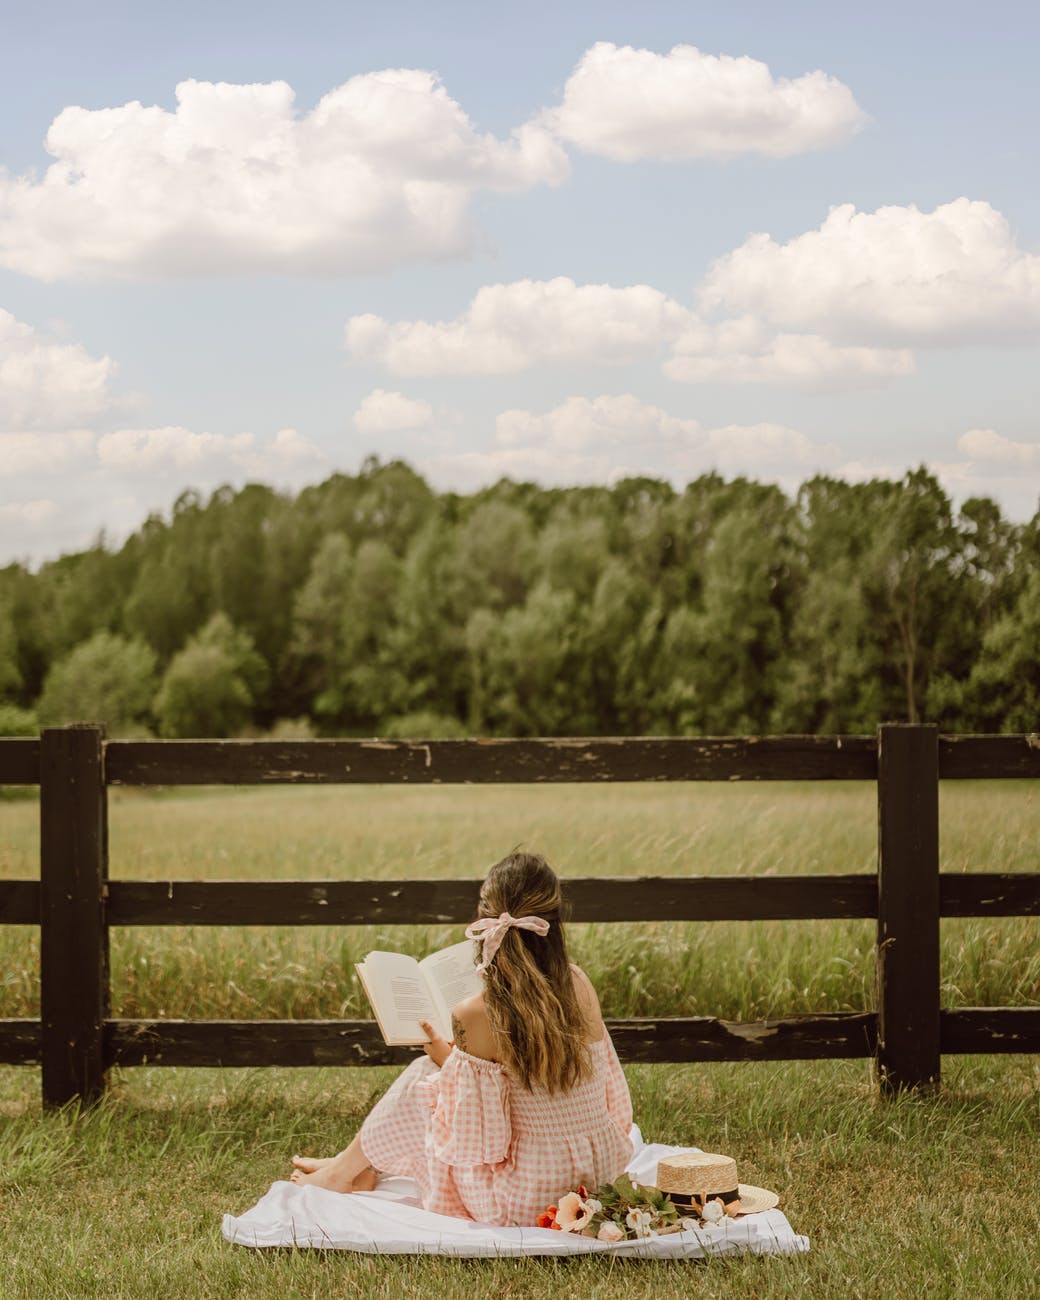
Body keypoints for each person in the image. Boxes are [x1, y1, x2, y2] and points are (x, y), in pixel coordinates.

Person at [289, 850, 634, 1227]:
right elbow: (609, 1090)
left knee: (423, 1075)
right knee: (434, 1074)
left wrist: (448, 1062)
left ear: (483, 921)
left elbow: (479, 1140)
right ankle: (352, 1165)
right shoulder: (579, 983)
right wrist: (459, 1063)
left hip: (525, 1199)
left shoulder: (477, 1012)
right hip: (595, 1177)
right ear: (553, 920)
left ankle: (343, 1172)